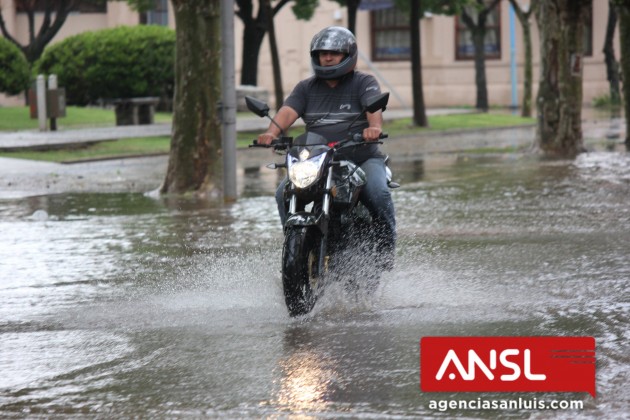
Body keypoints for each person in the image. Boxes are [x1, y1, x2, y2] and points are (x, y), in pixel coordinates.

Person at [257, 26, 396, 269]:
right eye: (323, 53)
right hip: (317, 161)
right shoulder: (306, 88)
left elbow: (374, 109)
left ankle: (385, 251)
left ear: (348, 55)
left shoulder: (364, 82)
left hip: (361, 158)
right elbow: (288, 111)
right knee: (283, 194)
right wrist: (271, 132)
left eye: (334, 53)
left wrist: (373, 128)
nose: (328, 57)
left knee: (378, 192)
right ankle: (296, 247)